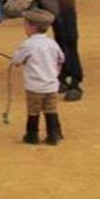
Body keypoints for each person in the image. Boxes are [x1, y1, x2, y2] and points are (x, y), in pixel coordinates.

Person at [11, 8, 65, 145]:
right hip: (51, 85)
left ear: (32, 28)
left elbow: (17, 60)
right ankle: (54, 134)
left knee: (33, 112)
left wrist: (17, 61)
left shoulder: (28, 45)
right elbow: (61, 58)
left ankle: (32, 135)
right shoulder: (52, 43)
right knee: (51, 110)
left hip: (34, 87)